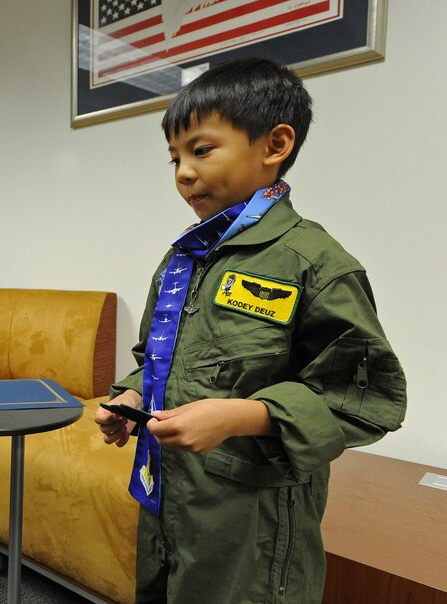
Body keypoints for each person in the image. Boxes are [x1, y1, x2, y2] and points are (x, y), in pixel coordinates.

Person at [94, 57, 407, 603]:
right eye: (174, 158)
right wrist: (132, 392)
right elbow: (159, 354)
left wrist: (244, 415)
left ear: (274, 145)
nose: (183, 173)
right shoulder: (183, 259)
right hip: (169, 500)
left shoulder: (312, 262)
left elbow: (368, 399)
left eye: (201, 150)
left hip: (253, 522)